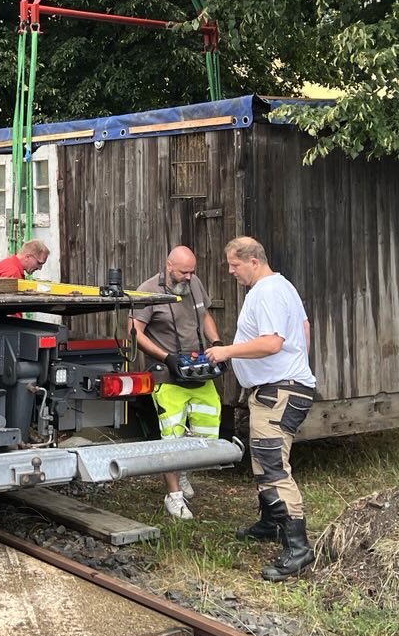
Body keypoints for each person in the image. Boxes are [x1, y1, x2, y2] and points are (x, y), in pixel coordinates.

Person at [205, 236, 316, 581]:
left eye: (234, 265)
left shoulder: (267, 291)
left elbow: (271, 343)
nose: (231, 271)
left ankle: (298, 549)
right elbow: (304, 329)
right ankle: (270, 524)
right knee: (263, 459)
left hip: (279, 392)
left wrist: (226, 352)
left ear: (253, 262)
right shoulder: (283, 287)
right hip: (280, 388)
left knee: (273, 467)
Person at [131, 245, 221, 520]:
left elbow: (205, 314)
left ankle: (183, 472)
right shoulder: (147, 290)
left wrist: (216, 342)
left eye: (192, 272)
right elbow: (134, 332)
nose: (188, 277)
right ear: (169, 266)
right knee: (171, 436)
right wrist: (166, 357)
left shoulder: (195, 284)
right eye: (183, 272)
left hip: (199, 370)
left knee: (208, 430)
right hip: (167, 374)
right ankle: (174, 496)